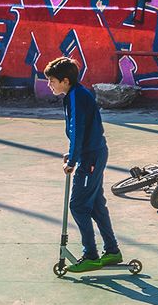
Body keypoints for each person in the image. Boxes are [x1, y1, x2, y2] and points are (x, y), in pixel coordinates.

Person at [44, 56, 123, 273]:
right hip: (92, 154)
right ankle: (113, 251)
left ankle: (91, 254)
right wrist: (71, 153)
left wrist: (73, 160)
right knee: (96, 205)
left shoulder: (76, 97)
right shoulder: (74, 94)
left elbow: (78, 130)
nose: (49, 84)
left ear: (66, 80)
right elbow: (79, 132)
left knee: (78, 205)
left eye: (52, 81)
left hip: (91, 158)